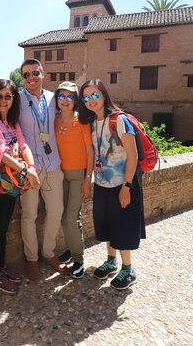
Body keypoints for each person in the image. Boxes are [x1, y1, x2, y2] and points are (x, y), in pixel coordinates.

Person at [78, 79, 146, 291]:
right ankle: (111, 261)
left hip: (122, 183)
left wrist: (126, 186)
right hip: (102, 183)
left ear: (104, 95)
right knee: (107, 224)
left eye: (95, 95)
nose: (91, 100)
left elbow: (132, 155)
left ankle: (128, 268)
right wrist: (88, 179)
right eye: (86, 97)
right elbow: (92, 153)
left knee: (123, 226)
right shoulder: (91, 123)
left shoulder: (119, 119)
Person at [0, 79, 40, 295]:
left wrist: (31, 166)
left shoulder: (12, 122)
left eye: (8, 96)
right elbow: (0, 154)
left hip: (10, 184)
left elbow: (23, 145)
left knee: (3, 230)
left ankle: (0, 268)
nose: (3, 100)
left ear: (13, 99)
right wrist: (27, 172)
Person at [18, 59, 66, 280]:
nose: (31, 78)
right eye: (26, 75)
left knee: (56, 211)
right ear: (22, 78)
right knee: (29, 215)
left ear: (43, 73)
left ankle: (48, 253)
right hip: (31, 168)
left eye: (35, 73)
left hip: (53, 163)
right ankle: (31, 259)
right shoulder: (16, 99)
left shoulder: (54, 98)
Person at [53, 81, 94, 279]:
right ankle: (71, 248)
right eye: (61, 96)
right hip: (60, 175)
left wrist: (88, 178)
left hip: (78, 175)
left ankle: (78, 260)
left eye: (70, 96)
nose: (65, 100)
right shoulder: (53, 120)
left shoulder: (82, 121)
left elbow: (89, 150)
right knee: (65, 217)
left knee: (71, 218)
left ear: (76, 100)